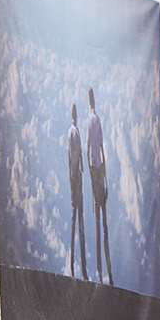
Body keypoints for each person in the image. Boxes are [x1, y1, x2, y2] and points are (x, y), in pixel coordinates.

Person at [87, 87, 113, 286]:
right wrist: (105, 176)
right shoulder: (97, 120)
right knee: (102, 220)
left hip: (95, 170)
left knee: (98, 218)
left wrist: (92, 172)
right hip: (99, 170)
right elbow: (101, 147)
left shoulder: (89, 121)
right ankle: (106, 271)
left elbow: (90, 149)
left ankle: (101, 272)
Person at [67, 103, 88, 280]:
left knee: (78, 216)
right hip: (76, 178)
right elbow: (73, 157)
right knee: (77, 216)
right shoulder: (74, 132)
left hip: (76, 177)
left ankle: (78, 265)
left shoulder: (75, 131)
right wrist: (74, 177)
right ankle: (77, 264)